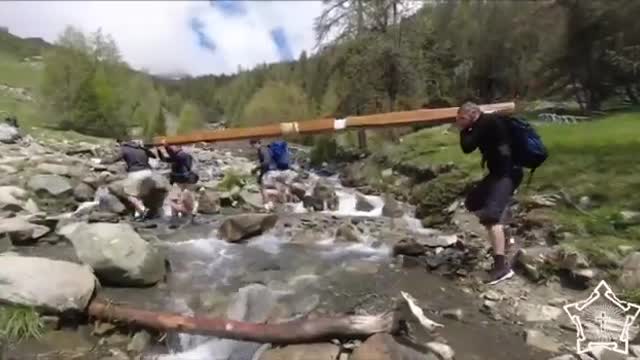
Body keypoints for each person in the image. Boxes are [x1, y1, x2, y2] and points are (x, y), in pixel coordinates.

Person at [455, 102, 523, 285]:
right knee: (472, 202)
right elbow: (468, 147)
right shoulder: (485, 122)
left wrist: (463, 130)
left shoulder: (486, 122)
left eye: (461, 118)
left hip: (508, 174)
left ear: (473, 114)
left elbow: (467, 146)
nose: (459, 122)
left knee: (491, 217)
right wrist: (466, 126)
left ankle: (501, 267)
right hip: (497, 174)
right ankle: (504, 234)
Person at [102, 138, 157, 221]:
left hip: (136, 173)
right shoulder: (140, 148)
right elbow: (153, 156)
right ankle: (139, 215)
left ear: (121, 143)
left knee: (129, 194)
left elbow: (115, 158)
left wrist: (101, 162)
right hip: (148, 172)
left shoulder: (124, 148)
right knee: (138, 194)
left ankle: (143, 209)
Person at [157, 140, 199, 225]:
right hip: (179, 181)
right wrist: (158, 150)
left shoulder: (183, 155)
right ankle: (175, 218)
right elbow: (164, 159)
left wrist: (166, 146)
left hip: (186, 181)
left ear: (178, 147)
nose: (172, 148)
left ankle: (186, 217)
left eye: (172, 146)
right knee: (174, 199)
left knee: (184, 199)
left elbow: (173, 155)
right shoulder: (176, 156)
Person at [250, 139, 295, 210]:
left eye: (253, 144)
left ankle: (267, 207)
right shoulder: (271, 149)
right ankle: (285, 206)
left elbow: (266, 163)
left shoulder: (262, 149)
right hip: (283, 172)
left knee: (264, 189)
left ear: (256, 143)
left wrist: (256, 169)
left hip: (272, 173)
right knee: (280, 189)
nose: (253, 146)